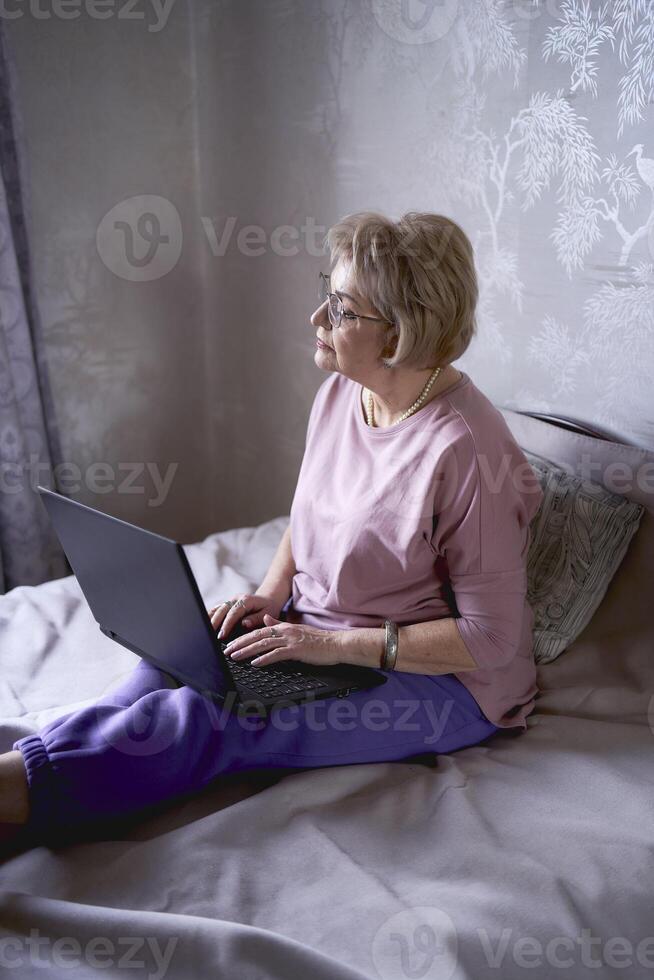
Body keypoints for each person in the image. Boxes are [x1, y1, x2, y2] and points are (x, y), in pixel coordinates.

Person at [0, 211, 543, 849]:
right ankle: (29, 771)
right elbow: (308, 513)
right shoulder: (344, 394)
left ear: (401, 332)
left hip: (439, 685)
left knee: (216, 717)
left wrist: (335, 648)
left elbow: (492, 638)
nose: (317, 319)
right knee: (165, 672)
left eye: (341, 309)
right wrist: (271, 592)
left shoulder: (472, 453)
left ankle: (21, 797)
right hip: (317, 634)